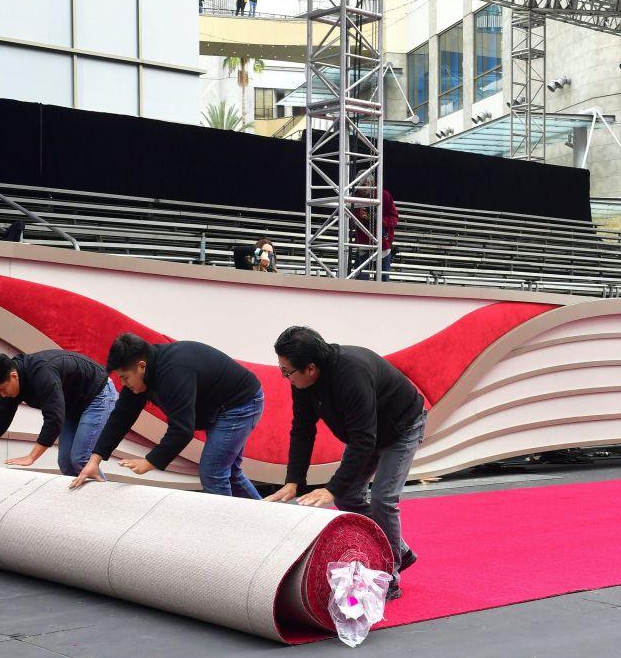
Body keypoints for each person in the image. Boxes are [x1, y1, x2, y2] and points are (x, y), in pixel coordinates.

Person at [265, 326, 425, 600]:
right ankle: (400, 550)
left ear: (311, 368)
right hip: (369, 432)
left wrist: (331, 488)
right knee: (349, 496)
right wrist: (294, 481)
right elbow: (303, 429)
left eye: (287, 371)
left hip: (402, 427)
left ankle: (390, 577)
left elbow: (363, 439)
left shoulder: (351, 374)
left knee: (383, 498)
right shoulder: (302, 383)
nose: (285, 377)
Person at [70, 333, 264, 498]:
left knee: (213, 472)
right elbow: (120, 417)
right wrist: (94, 460)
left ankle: (226, 534)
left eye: (124, 377)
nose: (123, 383)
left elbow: (182, 430)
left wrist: (150, 462)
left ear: (141, 366)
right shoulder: (141, 376)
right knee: (229, 473)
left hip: (240, 404)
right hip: (220, 404)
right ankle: (266, 522)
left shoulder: (173, 372)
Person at [0, 351, 117, 478]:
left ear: (13, 376)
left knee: (81, 459)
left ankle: (108, 507)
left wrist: (32, 457)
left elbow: (54, 418)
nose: (2, 395)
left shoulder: (42, 373)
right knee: (66, 463)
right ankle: (83, 507)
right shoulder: (12, 382)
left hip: (98, 395)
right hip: (74, 405)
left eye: (2, 389)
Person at [353, 175, 398, 281]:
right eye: (360, 185)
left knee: (383, 280)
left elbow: (394, 218)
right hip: (363, 244)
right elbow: (347, 220)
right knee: (361, 280)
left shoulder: (384, 195)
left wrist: (377, 219)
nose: (362, 189)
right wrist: (357, 214)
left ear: (372, 184)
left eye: (364, 185)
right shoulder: (353, 197)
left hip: (382, 244)